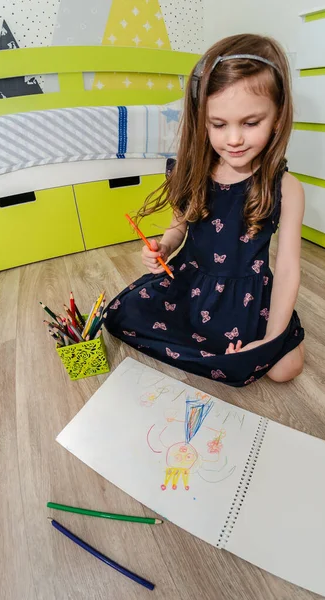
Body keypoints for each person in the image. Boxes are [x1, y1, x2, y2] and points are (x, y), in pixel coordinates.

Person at [104, 33, 305, 387]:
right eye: (218, 124)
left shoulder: (286, 188)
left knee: (284, 369)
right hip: (191, 285)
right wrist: (163, 247)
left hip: (245, 299)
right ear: (203, 121)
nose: (234, 139)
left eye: (250, 122)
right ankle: (210, 349)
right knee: (121, 316)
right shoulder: (192, 171)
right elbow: (178, 226)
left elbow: (288, 269)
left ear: (277, 117)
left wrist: (271, 340)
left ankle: (233, 349)